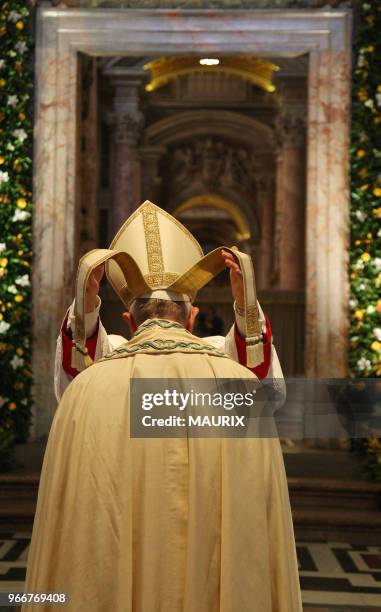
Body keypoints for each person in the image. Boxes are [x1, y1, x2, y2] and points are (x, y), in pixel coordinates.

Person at [23, 201, 301, 611]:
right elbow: (266, 391)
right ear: (193, 318)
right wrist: (246, 312)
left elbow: (75, 372)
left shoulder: (92, 385)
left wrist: (85, 306)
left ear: (128, 320)